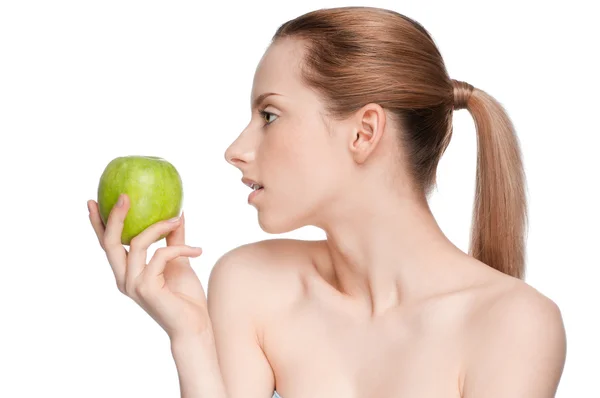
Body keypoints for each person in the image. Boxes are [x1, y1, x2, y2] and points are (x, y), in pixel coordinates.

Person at [87, 6, 567, 398]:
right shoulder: (252, 283)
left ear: (363, 132)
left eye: (269, 115)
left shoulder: (513, 325)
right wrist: (190, 339)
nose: (235, 150)